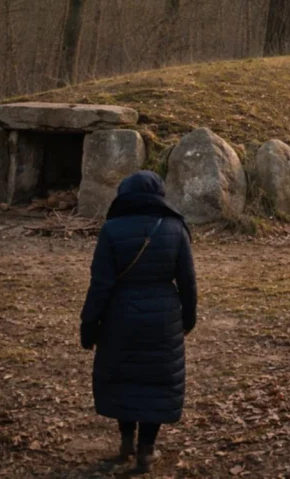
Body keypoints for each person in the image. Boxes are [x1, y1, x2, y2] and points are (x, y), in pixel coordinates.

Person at [80, 171, 197, 474]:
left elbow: (100, 285)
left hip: (120, 316)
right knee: (155, 382)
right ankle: (147, 450)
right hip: (163, 318)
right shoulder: (175, 227)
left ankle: (125, 443)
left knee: (124, 379)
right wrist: (188, 318)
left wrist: (89, 325)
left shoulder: (111, 230)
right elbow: (187, 281)